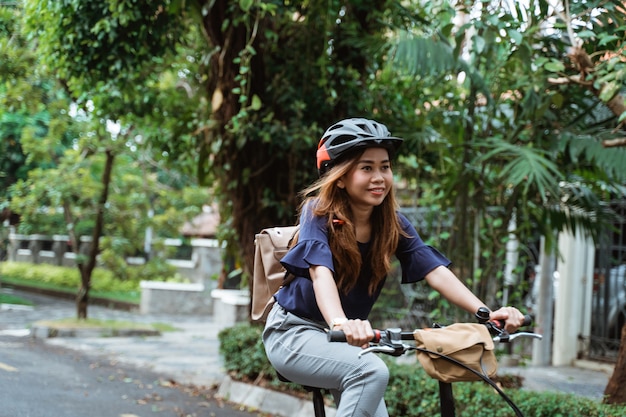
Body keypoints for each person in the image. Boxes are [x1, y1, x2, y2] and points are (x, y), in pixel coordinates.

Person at [262, 118, 526, 417]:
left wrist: (486, 313)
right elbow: (320, 271)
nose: (379, 177)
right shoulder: (318, 213)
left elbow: (434, 270)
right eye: (366, 168)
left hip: (346, 344)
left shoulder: (393, 223)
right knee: (371, 372)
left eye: (384, 167)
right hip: (294, 334)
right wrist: (339, 322)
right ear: (339, 176)